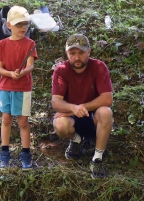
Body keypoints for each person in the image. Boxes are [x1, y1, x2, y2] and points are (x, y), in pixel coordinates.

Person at [51, 34, 113, 179]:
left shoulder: (98, 67)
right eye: (72, 53)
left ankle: (97, 158)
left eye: (81, 53)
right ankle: (77, 141)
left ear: (89, 52)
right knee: (60, 124)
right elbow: (56, 102)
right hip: (72, 117)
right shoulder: (61, 70)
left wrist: (81, 107)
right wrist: (73, 109)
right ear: (67, 54)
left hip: (93, 117)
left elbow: (107, 98)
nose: (77, 57)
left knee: (106, 112)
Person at [0, 6, 37, 171]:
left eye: (26, 24)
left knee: (23, 121)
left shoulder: (30, 44)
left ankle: (26, 154)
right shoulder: (2, 45)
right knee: (6, 119)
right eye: (19, 24)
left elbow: (30, 67)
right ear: (9, 25)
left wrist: (22, 73)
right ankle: (4, 153)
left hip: (23, 88)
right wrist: (10, 74)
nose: (23, 28)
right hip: (5, 86)